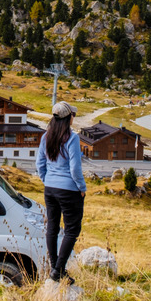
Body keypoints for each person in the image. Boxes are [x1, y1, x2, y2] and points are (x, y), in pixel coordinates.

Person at [35, 101, 87, 284]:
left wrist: (47, 181)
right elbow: (75, 169)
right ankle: (59, 269)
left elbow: (39, 165)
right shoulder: (72, 138)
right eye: (73, 114)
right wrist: (82, 188)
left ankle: (54, 267)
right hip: (69, 190)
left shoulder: (46, 136)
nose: (74, 117)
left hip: (50, 188)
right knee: (72, 229)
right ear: (68, 118)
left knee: (52, 227)